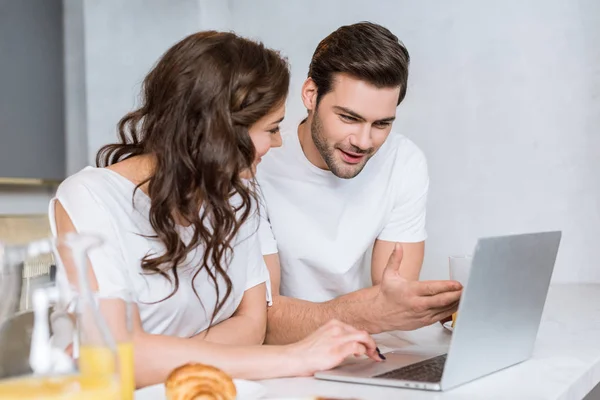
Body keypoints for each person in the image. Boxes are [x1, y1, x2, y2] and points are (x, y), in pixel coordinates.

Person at [48, 31, 382, 389]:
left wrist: (154, 357)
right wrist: (296, 355)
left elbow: (253, 325)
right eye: (270, 129)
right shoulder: (91, 198)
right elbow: (116, 358)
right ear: (221, 131)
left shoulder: (236, 195)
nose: (278, 141)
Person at [256, 22, 463, 345]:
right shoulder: (258, 164)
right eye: (348, 118)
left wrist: (435, 304)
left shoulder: (402, 161)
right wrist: (368, 314)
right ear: (311, 95)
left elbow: (392, 301)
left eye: (381, 124)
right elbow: (260, 322)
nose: (363, 142)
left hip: (359, 347)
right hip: (282, 356)